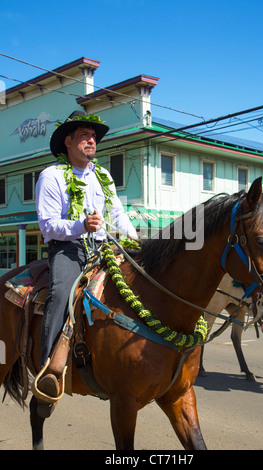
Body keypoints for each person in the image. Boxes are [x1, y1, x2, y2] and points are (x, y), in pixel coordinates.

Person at [35, 110, 137, 399]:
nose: (91, 141)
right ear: (68, 142)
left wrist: (136, 239)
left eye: (93, 137)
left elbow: (117, 212)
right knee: (62, 293)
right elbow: (48, 224)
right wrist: (81, 225)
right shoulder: (51, 176)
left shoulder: (102, 176)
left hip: (102, 247)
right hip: (68, 248)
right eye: (84, 136)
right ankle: (47, 367)